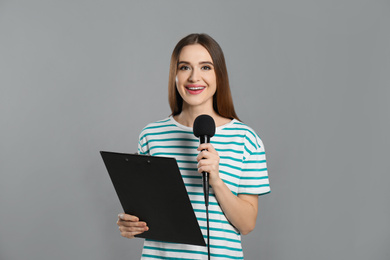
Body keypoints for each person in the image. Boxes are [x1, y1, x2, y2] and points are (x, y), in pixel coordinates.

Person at [117, 33, 270, 259]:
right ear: (175, 75)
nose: (194, 77)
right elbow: (147, 211)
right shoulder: (151, 135)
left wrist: (216, 180)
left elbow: (247, 224)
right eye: (185, 67)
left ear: (219, 74)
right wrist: (129, 223)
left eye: (205, 67)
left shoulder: (245, 139)